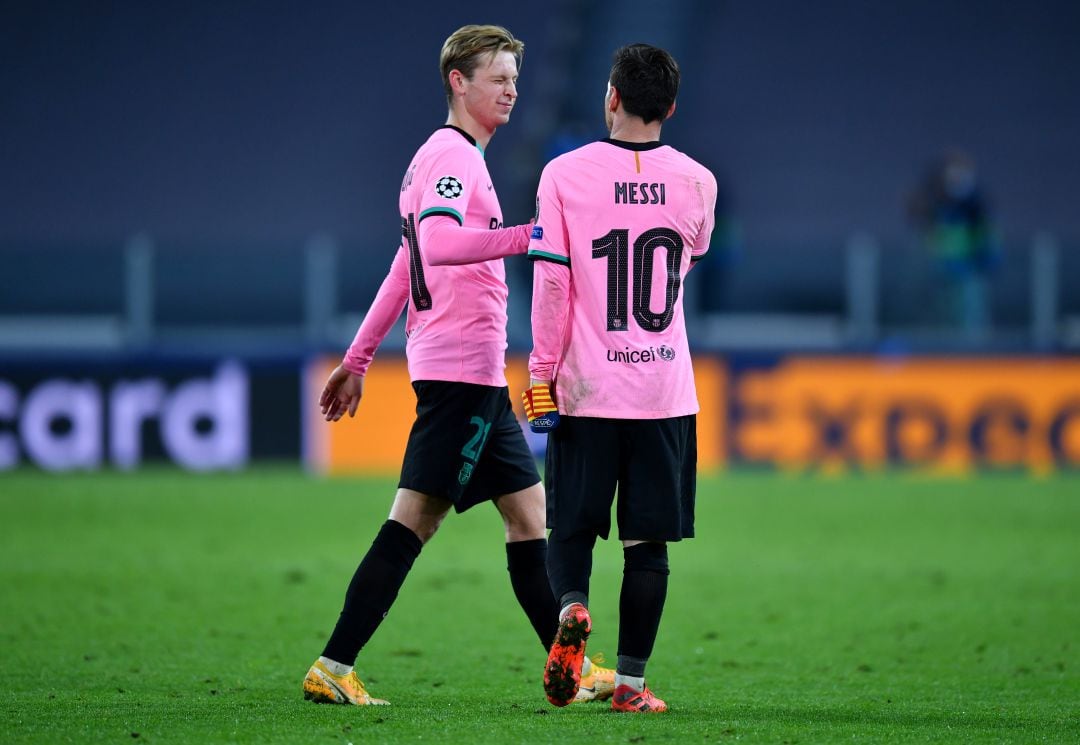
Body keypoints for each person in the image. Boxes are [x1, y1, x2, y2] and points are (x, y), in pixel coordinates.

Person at [302, 24, 613, 707]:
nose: (511, 89)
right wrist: (528, 236)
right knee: (414, 520)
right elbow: (439, 245)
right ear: (458, 82)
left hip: (474, 376)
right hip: (461, 375)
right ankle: (333, 662)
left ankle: (575, 668)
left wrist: (356, 358)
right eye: (497, 77)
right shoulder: (454, 157)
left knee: (529, 516)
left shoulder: (437, 159)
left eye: (514, 78)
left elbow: (402, 264)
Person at [522, 43, 717, 713]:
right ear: (669, 107)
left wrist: (541, 374)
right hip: (663, 390)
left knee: (570, 529)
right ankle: (631, 686)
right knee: (647, 543)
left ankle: (573, 608)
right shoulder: (699, 180)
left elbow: (552, 282)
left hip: (586, 386)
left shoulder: (563, 175)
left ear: (611, 97)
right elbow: (691, 251)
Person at [906, 150, 1001, 340]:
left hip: (968, 272)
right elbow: (927, 231)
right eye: (953, 175)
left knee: (969, 314)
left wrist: (984, 261)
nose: (958, 180)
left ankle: (973, 349)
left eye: (961, 174)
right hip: (939, 273)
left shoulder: (975, 204)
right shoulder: (938, 202)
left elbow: (986, 238)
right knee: (939, 317)